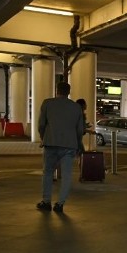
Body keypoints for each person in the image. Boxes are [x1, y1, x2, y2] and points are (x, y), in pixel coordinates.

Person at [37, 81, 85, 213]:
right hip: (69, 145)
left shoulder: (47, 103)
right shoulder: (76, 107)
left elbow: (41, 124)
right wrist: (78, 143)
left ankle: (46, 201)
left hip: (51, 142)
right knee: (67, 175)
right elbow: (80, 130)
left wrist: (43, 137)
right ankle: (60, 204)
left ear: (56, 90)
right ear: (69, 92)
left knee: (47, 172)